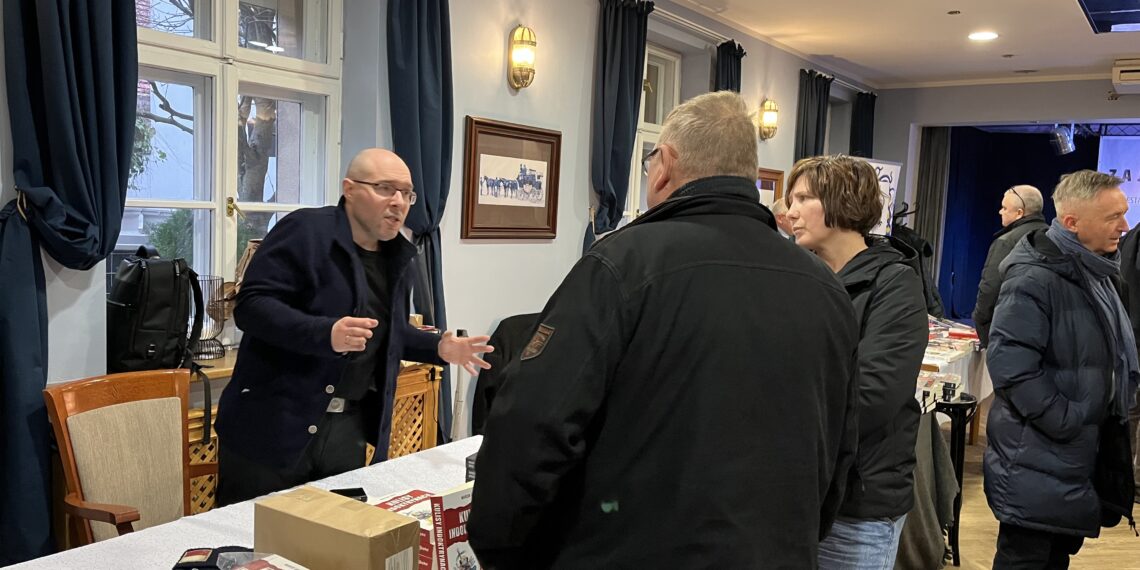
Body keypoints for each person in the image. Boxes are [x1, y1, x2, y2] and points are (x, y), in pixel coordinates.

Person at [468, 91, 861, 568]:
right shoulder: (825, 287)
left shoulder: (623, 264)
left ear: (665, 165)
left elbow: (531, 421)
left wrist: (501, 548)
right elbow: (840, 445)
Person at [214, 148, 493, 506]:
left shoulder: (398, 254)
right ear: (349, 188)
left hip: (347, 428)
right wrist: (325, 333)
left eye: (406, 193)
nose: (398, 202)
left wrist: (438, 346)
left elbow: (380, 331)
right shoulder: (305, 231)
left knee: (333, 543)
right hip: (274, 424)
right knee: (250, 547)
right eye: (385, 189)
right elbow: (252, 307)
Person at [985, 170, 1138, 568]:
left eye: (1124, 213)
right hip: (1038, 458)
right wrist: (1069, 420)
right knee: (1027, 559)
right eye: (1113, 217)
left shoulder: (1100, 274)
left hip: (1070, 459)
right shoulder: (1034, 278)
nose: (1124, 226)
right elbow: (1012, 369)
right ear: (1072, 223)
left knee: (1055, 558)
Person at [784, 154, 929, 569]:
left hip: (858, 500)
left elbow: (874, 394)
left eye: (803, 198)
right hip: (800, 491)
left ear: (843, 203)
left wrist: (781, 427)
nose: (790, 211)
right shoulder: (802, 279)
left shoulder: (895, 283)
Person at [972, 184, 1048, 347]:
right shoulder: (1053, 239)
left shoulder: (1006, 242)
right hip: (1046, 334)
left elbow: (990, 289)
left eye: (1004, 208)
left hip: (1008, 334)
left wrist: (981, 326)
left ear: (1019, 213)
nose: (1000, 211)